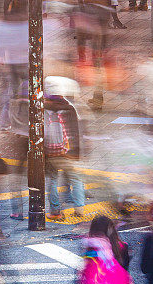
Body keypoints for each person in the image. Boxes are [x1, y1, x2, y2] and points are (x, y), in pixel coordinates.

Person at [44, 81, 85, 220]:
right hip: (68, 151)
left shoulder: (44, 108)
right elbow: (75, 129)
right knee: (76, 179)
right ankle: (79, 209)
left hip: (51, 151)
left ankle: (55, 212)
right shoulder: (69, 107)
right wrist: (75, 151)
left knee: (53, 179)